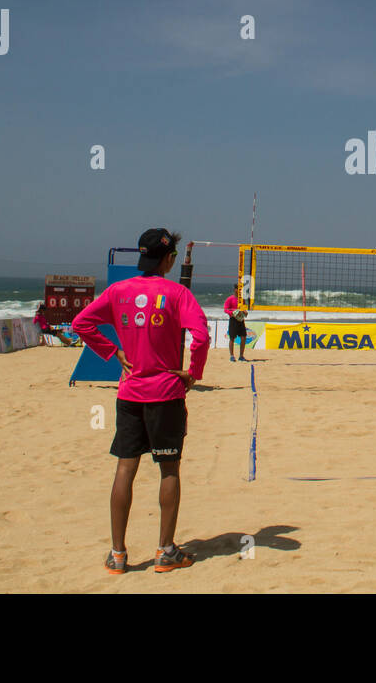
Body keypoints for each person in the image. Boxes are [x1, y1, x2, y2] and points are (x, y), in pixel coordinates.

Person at [72, 228, 210, 576]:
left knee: (125, 468)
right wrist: (193, 372)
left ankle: (118, 555)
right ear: (168, 259)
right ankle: (165, 551)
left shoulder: (119, 291)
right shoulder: (177, 293)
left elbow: (80, 323)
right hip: (166, 394)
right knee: (169, 469)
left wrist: (113, 351)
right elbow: (202, 336)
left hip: (129, 392)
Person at [224, 284, 248, 362]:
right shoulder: (230, 299)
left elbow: (245, 312)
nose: (240, 290)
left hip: (240, 320)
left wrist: (245, 313)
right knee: (232, 338)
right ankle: (232, 356)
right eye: (239, 289)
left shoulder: (242, 300)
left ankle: (241, 356)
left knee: (243, 337)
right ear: (235, 289)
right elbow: (225, 310)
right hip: (233, 320)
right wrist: (233, 313)